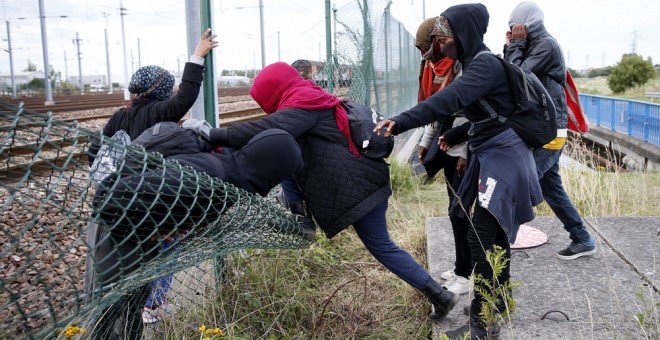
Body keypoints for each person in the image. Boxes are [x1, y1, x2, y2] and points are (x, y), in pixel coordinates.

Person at [183, 61, 459, 322]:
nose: (264, 105)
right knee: (382, 244)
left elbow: (268, 128)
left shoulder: (302, 106)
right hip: (366, 179)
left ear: (273, 90)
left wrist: (213, 136)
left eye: (263, 98)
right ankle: (438, 294)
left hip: (356, 188)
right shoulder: (309, 95)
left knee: (382, 247)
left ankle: (439, 295)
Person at [374, 4, 543, 339]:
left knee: (478, 234)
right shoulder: (475, 63)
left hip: (504, 160)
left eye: (444, 37)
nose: (441, 43)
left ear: (463, 35)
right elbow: (484, 116)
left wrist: (401, 121)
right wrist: (450, 136)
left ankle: (481, 323)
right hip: (493, 154)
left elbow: (446, 101)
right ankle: (502, 300)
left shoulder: (484, 66)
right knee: (492, 235)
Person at [84, 27, 218, 331]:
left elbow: (94, 151)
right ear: (161, 91)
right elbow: (185, 96)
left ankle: (112, 319)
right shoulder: (160, 112)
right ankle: (152, 304)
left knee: (118, 268)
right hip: (149, 201)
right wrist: (197, 56)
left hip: (115, 200)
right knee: (166, 247)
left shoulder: (121, 115)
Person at [504, 1, 597, 260]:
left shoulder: (546, 45)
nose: (514, 31)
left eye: (516, 27)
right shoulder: (532, 44)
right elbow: (507, 74)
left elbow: (517, 76)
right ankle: (582, 238)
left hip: (552, 131)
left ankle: (499, 244)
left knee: (520, 183)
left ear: (528, 25)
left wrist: (515, 46)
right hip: (541, 128)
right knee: (551, 188)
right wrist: (511, 45)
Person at [414, 17, 472, 296]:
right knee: (455, 208)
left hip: (463, 148)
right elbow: (438, 111)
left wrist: (463, 154)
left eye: (428, 46)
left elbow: (469, 115)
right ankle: (463, 268)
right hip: (451, 143)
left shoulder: (463, 66)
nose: (425, 55)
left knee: (461, 212)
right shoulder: (439, 68)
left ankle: (466, 274)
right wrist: (426, 142)